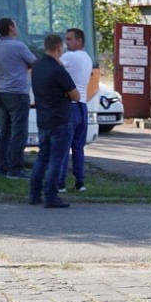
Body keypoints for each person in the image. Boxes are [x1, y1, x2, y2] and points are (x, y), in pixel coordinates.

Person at [28, 33, 80, 209]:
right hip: (60, 120)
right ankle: (51, 195)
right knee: (57, 159)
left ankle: (34, 194)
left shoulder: (37, 65)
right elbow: (76, 95)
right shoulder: (58, 70)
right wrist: (64, 92)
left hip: (43, 118)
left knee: (42, 157)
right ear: (59, 48)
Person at [0, 17, 36, 178]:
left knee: (3, 131)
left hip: (3, 92)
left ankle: (1, 166)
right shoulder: (18, 45)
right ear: (11, 28)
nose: (17, 27)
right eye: (15, 25)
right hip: (18, 93)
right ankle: (16, 168)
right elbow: (34, 62)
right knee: (19, 132)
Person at [59, 28, 92, 193]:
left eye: (69, 39)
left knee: (64, 145)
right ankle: (80, 182)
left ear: (79, 40)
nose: (66, 43)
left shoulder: (69, 56)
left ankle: (60, 182)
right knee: (78, 147)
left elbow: (54, 66)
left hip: (70, 104)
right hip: (83, 105)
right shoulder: (87, 58)